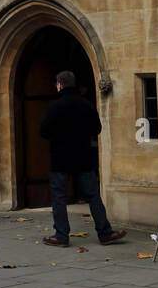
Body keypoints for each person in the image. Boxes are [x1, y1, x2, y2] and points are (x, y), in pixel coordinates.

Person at [39, 70, 126, 248]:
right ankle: (105, 233)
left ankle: (62, 236)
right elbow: (97, 128)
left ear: (59, 85)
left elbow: (44, 131)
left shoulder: (55, 107)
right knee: (93, 196)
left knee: (59, 198)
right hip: (83, 156)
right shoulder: (85, 104)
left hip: (61, 158)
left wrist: (60, 136)